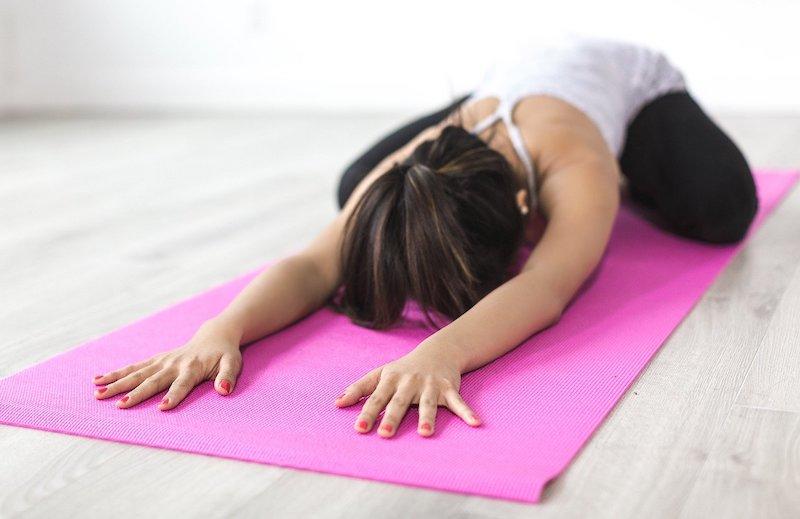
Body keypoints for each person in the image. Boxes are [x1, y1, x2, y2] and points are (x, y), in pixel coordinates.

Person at [90, 36, 758, 438]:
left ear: (529, 214)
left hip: (628, 87)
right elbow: (313, 263)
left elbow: (547, 285)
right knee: (360, 187)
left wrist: (442, 353)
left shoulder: (577, 169)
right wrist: (220, 330)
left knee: (725, 208)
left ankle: (640, 171)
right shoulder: (420, 159)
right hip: (503, 89)